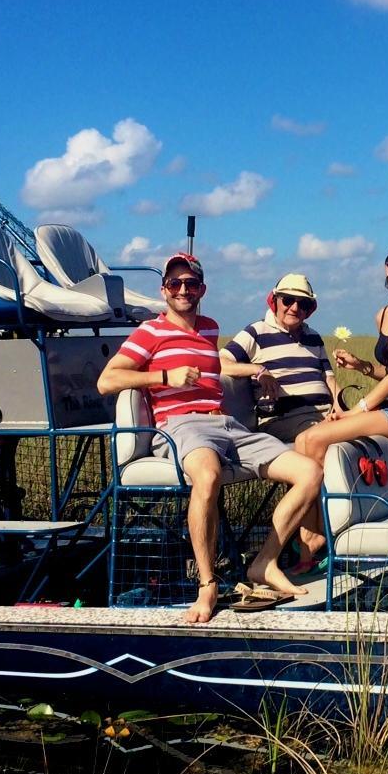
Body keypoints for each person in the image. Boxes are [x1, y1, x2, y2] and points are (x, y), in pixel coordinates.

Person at [96, 252, 322, 623]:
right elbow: (108, 380)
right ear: (164, 290)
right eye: (176, 283)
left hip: (227, 424)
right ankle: (207, 583)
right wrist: (164, 378)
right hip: (180, 426)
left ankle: (264, 563)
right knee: (208, 475)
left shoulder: (210, 328)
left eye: (191, 284)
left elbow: (219, 370)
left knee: (310, 472)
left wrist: (255, 372)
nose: (183, 289)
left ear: (202, 289)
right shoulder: (150, 332)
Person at [293, 236, 388, 466]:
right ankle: (318, 502)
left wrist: (356, 411)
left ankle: (337, 502)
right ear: (387, 268)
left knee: (314, 439)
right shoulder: (382, 315)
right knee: (302, 441)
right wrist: (360, 365)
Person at [222, 273, 342, 444]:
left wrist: (343, 410)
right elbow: (217, 363)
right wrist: (258, 369)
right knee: (328, 436)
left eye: (303, 303)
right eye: (288, 300)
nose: (294, 308)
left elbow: (329, 379)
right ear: (274, 300)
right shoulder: (257, 332)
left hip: (325, 415)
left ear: (310, 309)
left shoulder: (313, 337)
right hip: (282, 420)